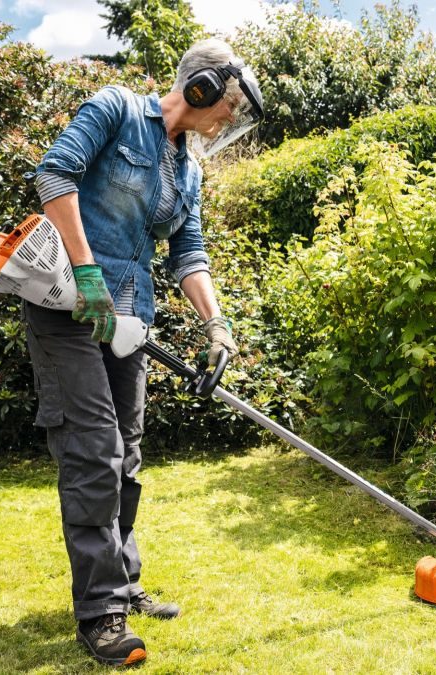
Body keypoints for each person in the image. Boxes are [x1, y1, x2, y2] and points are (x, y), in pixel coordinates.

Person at [23, 39, 264, 668]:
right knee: (93, 449)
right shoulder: (117, 110)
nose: (226, 123)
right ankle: (99, 612)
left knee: (127, 452)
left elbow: (190, 253)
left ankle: (124, 585)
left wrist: (218, 324)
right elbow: (54, 176)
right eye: (227, 109)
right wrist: (90, 279)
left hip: (130, 321)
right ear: (203, 88)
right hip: (68, 307)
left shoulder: (189, 171)